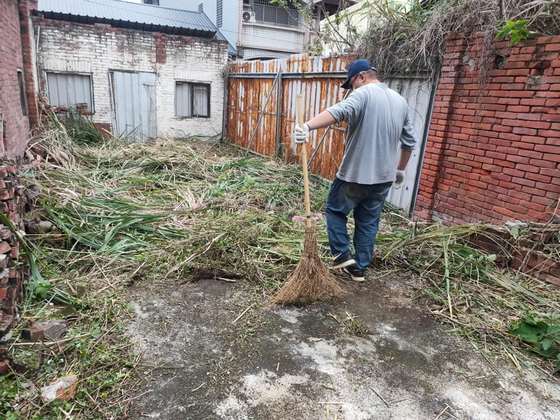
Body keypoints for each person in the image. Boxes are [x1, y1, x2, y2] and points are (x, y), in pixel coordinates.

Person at [293, 59, 417, 282]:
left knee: (335, 211)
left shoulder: (364, 93)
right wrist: (400, 170)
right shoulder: (400, 101)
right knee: (368, 221)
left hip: (355, 174)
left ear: (361, 77)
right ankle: (359, 268)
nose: (351, 90)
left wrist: (307, 126)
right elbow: (409, 142)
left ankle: (342, 254)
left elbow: (339, 111)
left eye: (350, 84)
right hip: (384, 178)